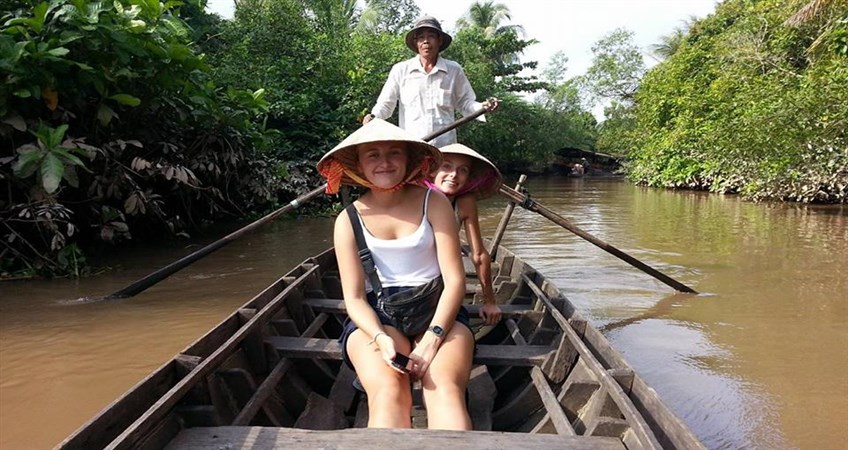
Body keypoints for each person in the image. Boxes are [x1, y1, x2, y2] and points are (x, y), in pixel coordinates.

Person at [317, 118, 474, 430]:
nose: (384, 162)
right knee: (389, 392)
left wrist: (433, 338)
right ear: (359, 164)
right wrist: (380, 338)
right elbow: (355, 298)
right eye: (372, 154)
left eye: (394, 153)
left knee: (443, 387)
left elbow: (455, 280)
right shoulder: (347, 220)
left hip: (439, 312)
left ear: (408, 159)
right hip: (378, 317)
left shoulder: (434, 201)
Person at [362, 15, 499, 148]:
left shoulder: (453, 70)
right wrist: (373, 117)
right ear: (416, 43)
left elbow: (465, 102)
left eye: (431, 36)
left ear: (439, 40)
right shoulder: (401, 70)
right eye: (421, 37)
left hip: (445, 149)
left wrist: (483, 107)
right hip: (413, 149)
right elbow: (386, 105)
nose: (426, 41)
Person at [426, 143, 503, 326]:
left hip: (445, 284)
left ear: (468, 177)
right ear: (431, 171)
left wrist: (489, 301)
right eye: (446, 166)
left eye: (463, 170)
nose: (454, 175)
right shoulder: (416, 196)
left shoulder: (464, 201)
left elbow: (478, 254)